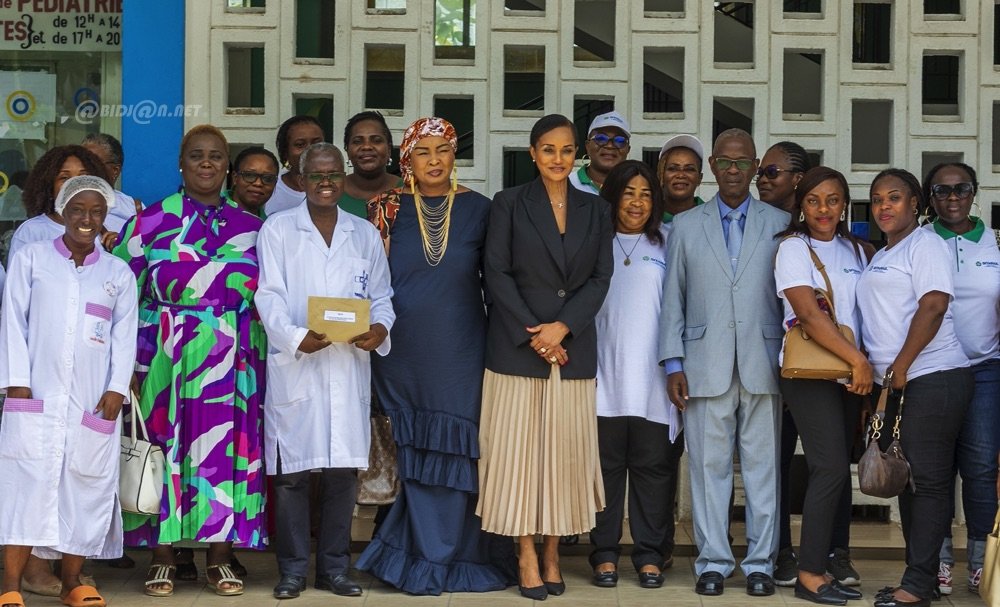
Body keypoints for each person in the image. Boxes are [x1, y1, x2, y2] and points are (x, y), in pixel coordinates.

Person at [354, 117, 516, 595]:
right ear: (407, 158)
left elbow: (499, 280)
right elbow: (366, 279)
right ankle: (424, 554)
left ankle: (447, 555)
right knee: (415, 452)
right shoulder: (384, 208)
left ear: (454, 155)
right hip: (400, 349)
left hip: (462, 348)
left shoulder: (481, 209)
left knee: (457, 448)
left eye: (442, 149)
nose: (434, 160)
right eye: (422, 151)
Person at [113, 124, 268, 598]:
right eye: (196, 155)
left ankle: (220, 557)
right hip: (165, 355)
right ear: (180, 164)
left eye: (216, 156)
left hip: (233, 360)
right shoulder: (149, 222)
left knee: (228, 453)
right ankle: (162, 555)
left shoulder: (253, 228)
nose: (206, 162)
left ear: (228, 168)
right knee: (164, 450)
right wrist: (131, 364)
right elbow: (122, 296)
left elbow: (270, 299)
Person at [478, 113, 613, 601]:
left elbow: (600, 277)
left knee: (564, 459)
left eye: (567, 149)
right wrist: (536, 333)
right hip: (518, 351)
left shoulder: (596, 209)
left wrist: (563, 327)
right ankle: (525, 553)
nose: (559, 158)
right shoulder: (509, 203)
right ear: (533, 153)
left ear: (577, 154)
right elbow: (495, 273)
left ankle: (553, 552)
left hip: (572, 350)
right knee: (518, 460)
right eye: (549, 149)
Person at [256, 142, 394, 600]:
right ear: (300, 179)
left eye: (333, 173)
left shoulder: (364, 233)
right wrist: (296, 337)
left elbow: (382, 296)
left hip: (347, 366)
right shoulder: (278, 229)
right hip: (298, 363)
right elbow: (268, 295)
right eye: (315, 175)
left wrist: (379, 328)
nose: (326, 182)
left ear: (344, 175)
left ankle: (335, 569)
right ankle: (293, 570)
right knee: (292, 477)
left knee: (341, 474)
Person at [659, 128, 788, 598]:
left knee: (763, 470)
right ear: (712, 166)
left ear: (755, 167)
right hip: (702, 364)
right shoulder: (686, 225)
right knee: (707, 469)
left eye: (743, 162)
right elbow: (673, 298)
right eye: (726, 162)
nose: (734, 170)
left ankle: (760, 564)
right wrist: (672, 363)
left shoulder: (780, 222)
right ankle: (712, 561)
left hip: (764, 362)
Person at [0, 176, 138, 607]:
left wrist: (117, 388)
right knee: (25, 485)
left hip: (92, 400)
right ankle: (10, 586)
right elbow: (12, 321)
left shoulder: (117, 273)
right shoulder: (32, 259)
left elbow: (125, 336)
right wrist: (17, 380)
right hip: (34, 395)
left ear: (105, 217)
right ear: (62, 211)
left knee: (85, 486)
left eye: (96, 212)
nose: (86, 219)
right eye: (78, 209)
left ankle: (72, 582)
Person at [859, 169, 973, 607]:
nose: (884, 206)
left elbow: (935, 304)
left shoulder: (925, 244)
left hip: (934, 375)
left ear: (915, 204)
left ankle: (919, 584)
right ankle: (917, 577)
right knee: (907, 480)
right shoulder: (884, 253)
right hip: (899, 383)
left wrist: (901, 365)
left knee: (926, 482)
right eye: (877, 199)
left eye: (894, 197)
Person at [773, 167, 872, 606]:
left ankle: (828, 563)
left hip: (852, 377)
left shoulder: (858, 250)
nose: (823, 209)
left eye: (832, 200)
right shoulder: (793, 248)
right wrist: (857, 360)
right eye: (813, 200)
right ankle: (809, 573)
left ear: (844, 204)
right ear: (801, 205)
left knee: (837, 469)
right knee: (829, 467)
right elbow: (810, 316)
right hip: (811, 373)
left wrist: (865, 370)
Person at [588, 160, 678, 590]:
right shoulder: (593, 242)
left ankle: (649, 555)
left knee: (653, 471)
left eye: (645, 194)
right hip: (602, 374)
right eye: (629, 193)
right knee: (604, 469)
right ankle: (604, 554)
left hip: (654, 379)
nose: (637, 202)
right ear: (613, 197)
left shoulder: (669, 243)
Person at [921, 163, 1000, 597]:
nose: (952, 197)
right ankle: (938, 561)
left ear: (974, 192)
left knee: (981, 468)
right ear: (930, 196)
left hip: (986, 369)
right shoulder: (920, 240)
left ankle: (981, 563)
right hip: (934, 369)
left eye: (961, 188)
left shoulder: (996, 242)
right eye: (942, 190)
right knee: (934, 470)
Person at [9, 145, 108, 265]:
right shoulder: (32, 231)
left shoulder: (102, 228)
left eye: (83, 177)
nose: (74, 184)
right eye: (65, 178)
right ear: (49, 187)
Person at [341, 111, 403, 221]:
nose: (366, 147)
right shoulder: (333, 191)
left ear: (389, 149)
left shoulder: (407, 191)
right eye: (357, 141)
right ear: (347, 150)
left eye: (376, 141)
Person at [264, 115, 325, 216]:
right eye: (300, 144)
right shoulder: (270, 187)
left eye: (317, 143)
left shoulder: (336, 187)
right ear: (285, 152)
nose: (310, 150)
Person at [81, 133, 139, 235]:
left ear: (115, 170)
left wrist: (122, 242)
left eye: (93, 163)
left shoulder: (133, 208)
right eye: (82, 162)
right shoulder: (65, 206)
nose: (85, 169)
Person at [568, 110, 630, 195]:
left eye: (619, 140)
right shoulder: (568, 184)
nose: (610, 146)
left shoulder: (635, 189)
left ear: (628, 150)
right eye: (601, 138)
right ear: (587, 146)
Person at [657, 134, 706, 223]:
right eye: (673, 168)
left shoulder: (713, 217)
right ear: (661, 175)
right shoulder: (646, 216)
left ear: (700, 178)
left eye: (689, 169)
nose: (680, 175)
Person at [229, 146, 280, 217]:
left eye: (267, 178)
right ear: (235, 178)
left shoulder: (270, 222)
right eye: (249, 175)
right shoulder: (215, 211)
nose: (258, 183)